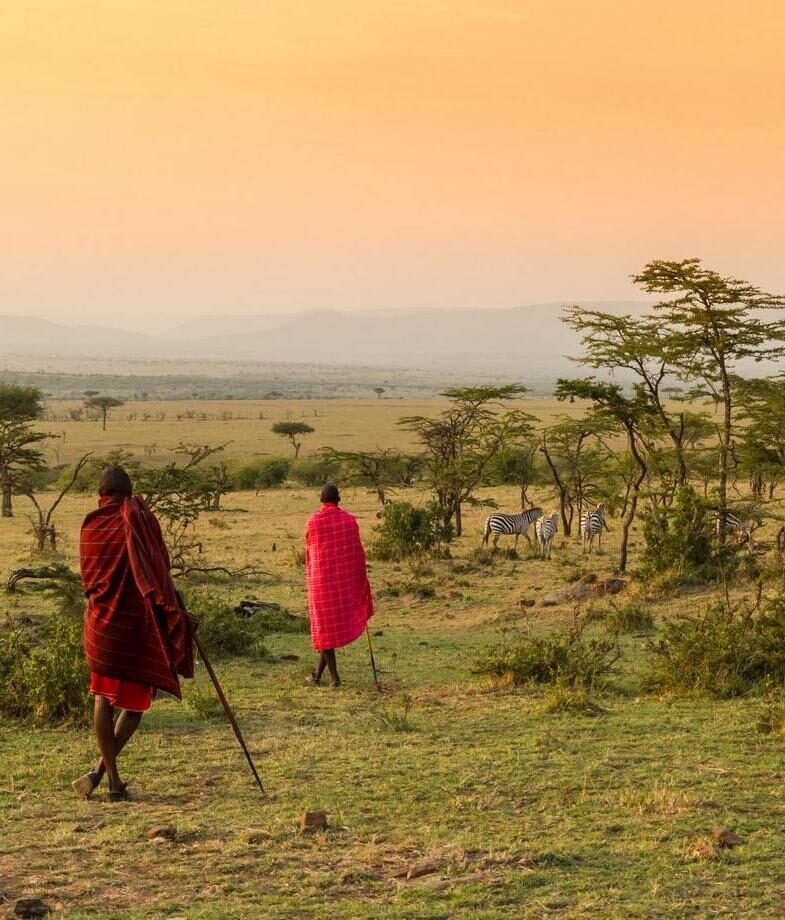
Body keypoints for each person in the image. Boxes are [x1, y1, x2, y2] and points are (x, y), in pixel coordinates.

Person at [71, 466, 194, 801]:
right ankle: (109, 781)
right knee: (136, 705)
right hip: (132, 627)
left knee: (102, 697)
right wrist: (174, 608)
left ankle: (105, 776)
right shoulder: (135, 519)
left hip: (99, 625)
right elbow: (156, 570)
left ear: (101, 493)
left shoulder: (90, 525)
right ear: (128, 493)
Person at [304, 483, 374, 687]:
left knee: (323, 630)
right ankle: (318, 676)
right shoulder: (349, 521)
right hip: (343, 584)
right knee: (325, 632)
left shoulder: (313, 522)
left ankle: (334, 678)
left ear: (321, 500)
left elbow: (309, 550)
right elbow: (357, 554)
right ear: (338, 499)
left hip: (320, 583)